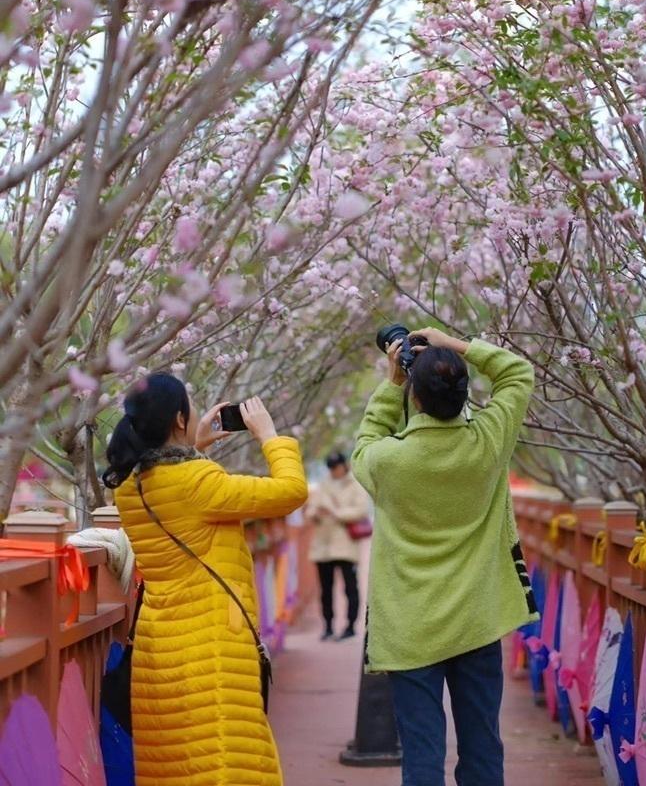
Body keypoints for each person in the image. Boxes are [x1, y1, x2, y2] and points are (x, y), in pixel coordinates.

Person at [352, 326, 536, 786]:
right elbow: (518, 373)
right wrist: (453, 344)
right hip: (476, 619)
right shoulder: (489, 441)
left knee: (421, 753)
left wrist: (393, 380)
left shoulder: (389, 461)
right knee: (482, 747)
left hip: (410, 628)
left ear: (415, 398)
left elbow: (365, 442)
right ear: (463, 394)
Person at [102, 373, 308, 786]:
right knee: (225, 763)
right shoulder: (198, 483)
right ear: (180, 418)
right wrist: (269, 436)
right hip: (211, 645)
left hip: (160, 650)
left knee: (173, 766)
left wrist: (192, 446)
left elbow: (171, 488)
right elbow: (291, 491)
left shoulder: (129, 486)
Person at [307, 450, 371, 641]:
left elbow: (361, 510)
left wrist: (335, 512)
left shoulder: (355, 484)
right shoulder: (323, 485)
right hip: (323, 545)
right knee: (326, 589)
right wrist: (316, 513)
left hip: (345, 544)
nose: (334, 471)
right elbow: (310, 511)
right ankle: (328, 626)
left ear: (344, 466)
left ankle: (351, 626)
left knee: (350, 588)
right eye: (331, 467)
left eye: (336, 466)